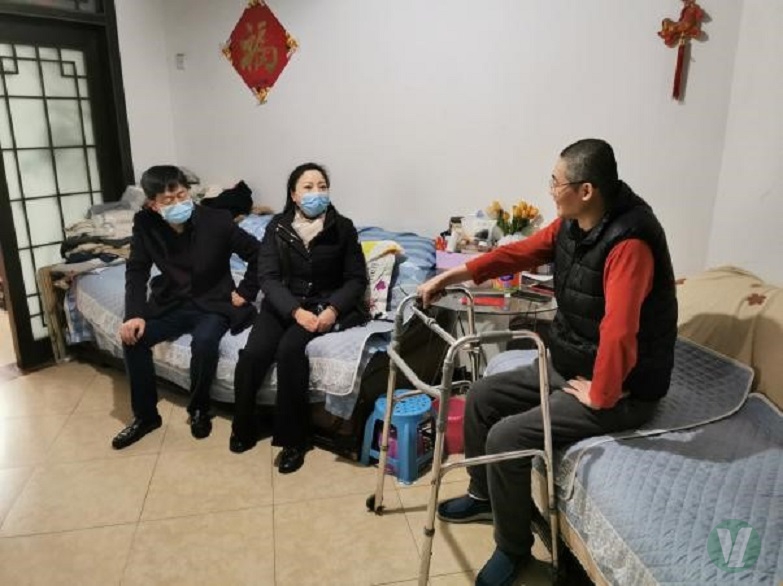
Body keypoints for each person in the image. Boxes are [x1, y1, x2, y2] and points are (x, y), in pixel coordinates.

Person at [417, 139, 677, 586]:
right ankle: (484, 495)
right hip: (571, 365)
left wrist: (603, 394)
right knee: (481, 395)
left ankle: (513, 549)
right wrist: (452, 275)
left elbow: (620, 330)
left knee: (506, 436)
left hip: (623, 389)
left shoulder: (630, 242)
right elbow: (517, 254)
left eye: (556, 182)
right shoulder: (573, 225)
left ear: (586, 190)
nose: (551, 190)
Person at [230, 162, 369, 474]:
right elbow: (267, 277)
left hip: (321, 305)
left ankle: (294, 440)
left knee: (290, 350)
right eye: (308, 187)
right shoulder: (277, 227)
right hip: (282, 305)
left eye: (322, 186)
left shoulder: (342, 227)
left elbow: (356, 279)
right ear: (294, 195)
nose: (316, 192)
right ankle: (244, 424)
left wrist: (333, 309)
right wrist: (294, 311)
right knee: (253, 354)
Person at [112, 165, 261, 450]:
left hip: (214, 301)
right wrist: (134, 315)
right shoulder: (145, 223)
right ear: (153, 205)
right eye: (168, 200)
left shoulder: (217, 220)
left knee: (204, 342)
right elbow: (137, 269)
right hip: (172, 301)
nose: (178, 203)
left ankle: (199, 409)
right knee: (133, 339)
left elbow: (260, 254)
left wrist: (246, 291)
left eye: (182, 195)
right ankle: (145, 417)